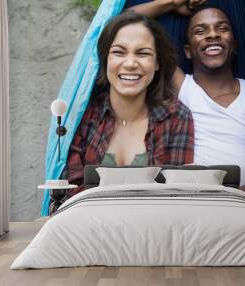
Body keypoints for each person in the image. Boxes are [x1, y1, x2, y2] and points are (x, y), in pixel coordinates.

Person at [129, 1, 245, 211]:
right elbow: (127, 24)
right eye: (200, 31)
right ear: (188, 51)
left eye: (222, 28)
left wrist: (231, 197)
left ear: (235, 45)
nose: (213, 35)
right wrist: (171, 3)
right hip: (185, 211)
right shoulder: (180, 89)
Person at [62, 12, 194, 198]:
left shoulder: (177, 117)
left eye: (143, 53)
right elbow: (69, 191)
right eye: (119, 52)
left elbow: (176, 194)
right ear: (105, 59)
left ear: (157, 63)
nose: (130, 63)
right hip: (88, 223)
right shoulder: (81, 116)